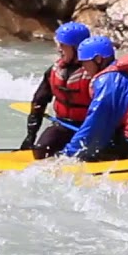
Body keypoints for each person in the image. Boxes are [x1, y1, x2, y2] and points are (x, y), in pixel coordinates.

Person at [22, 21, 92, 158]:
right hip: (63, 124)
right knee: (41, 150)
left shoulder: (93, 74)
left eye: (63, 46)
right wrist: (31, 136)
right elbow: (39, 102)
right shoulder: (54, 71)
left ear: (77, 48)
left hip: (88, 128)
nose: (59, 49)